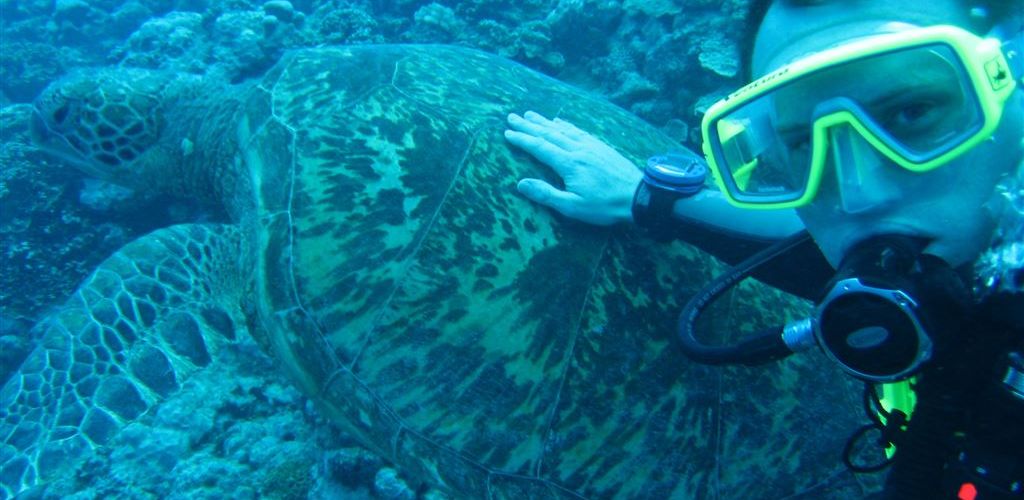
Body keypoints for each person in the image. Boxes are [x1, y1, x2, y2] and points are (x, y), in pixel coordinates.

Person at [506, 0, 1023, 498]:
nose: (863, 194)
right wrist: (647, 200)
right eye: (803, 144)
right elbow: (807, 250)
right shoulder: (941, 258)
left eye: (913, 112)